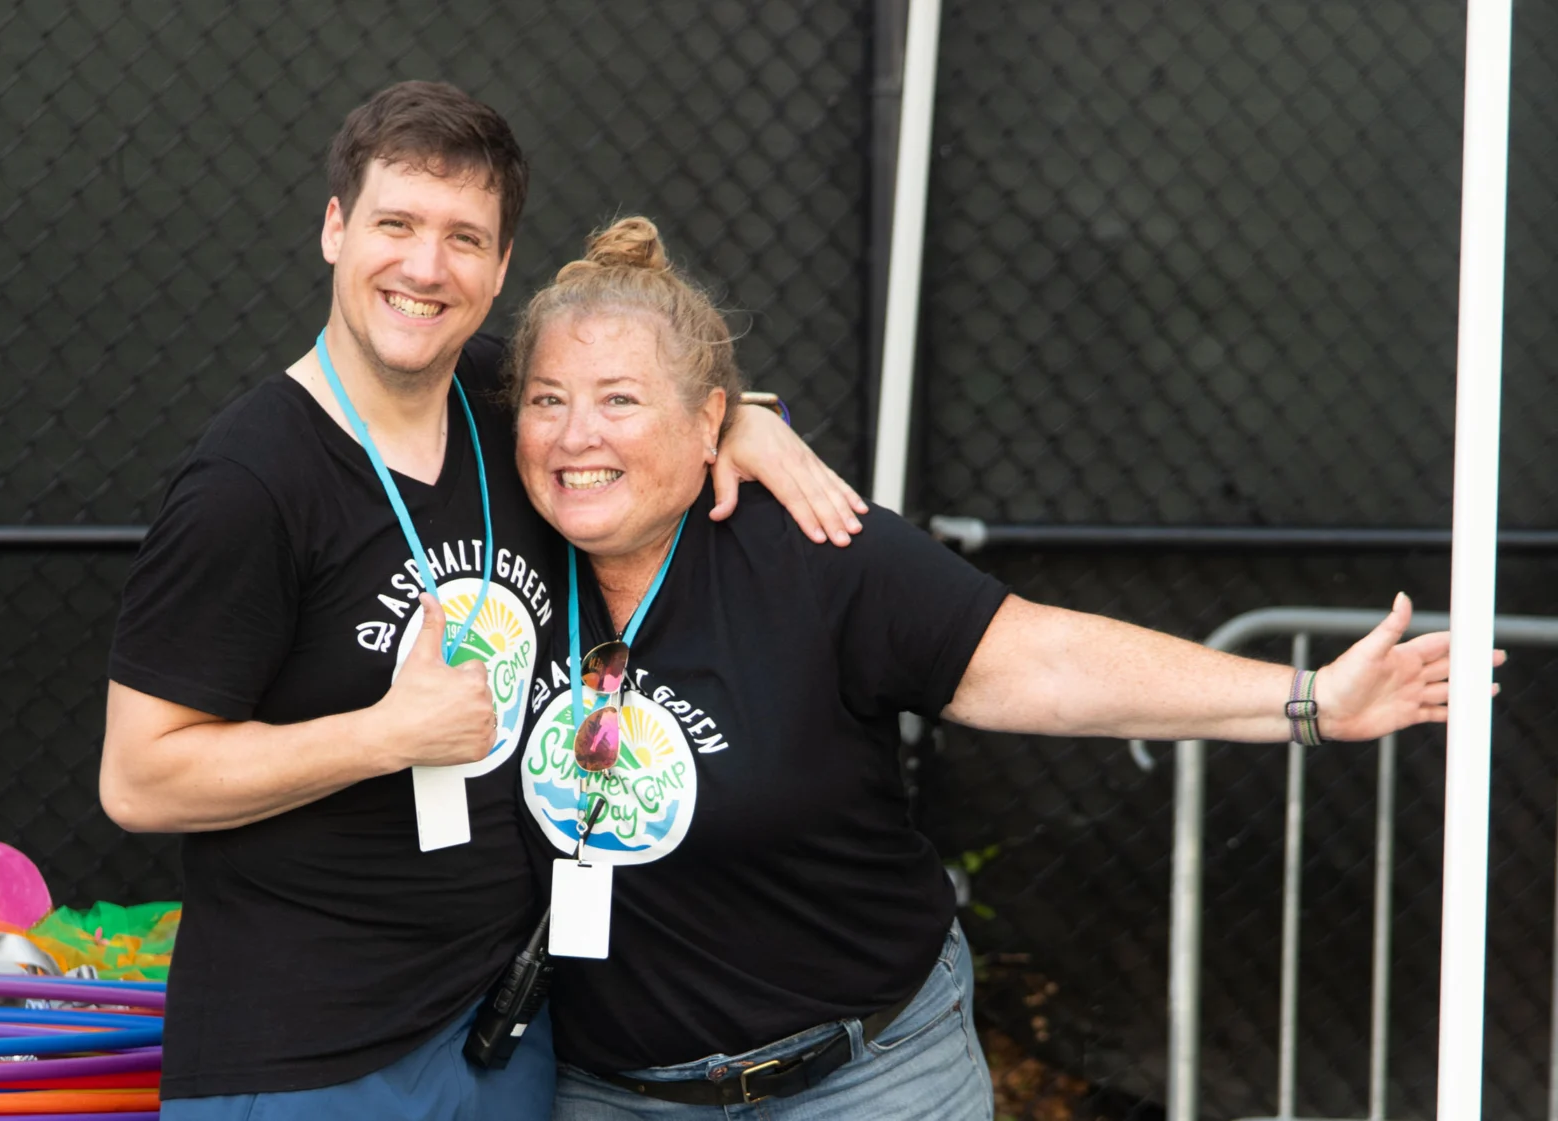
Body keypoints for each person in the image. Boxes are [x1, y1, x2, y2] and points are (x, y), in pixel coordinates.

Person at [507, 217, 1495, 1120]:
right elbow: (412, 358)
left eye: (621, 400)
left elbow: (1051, 662)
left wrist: (1308, 698)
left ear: (707, 417)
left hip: (866, 1078)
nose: (574, 434)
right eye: (547, 400)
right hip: (613, 1092)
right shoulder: (497, 544)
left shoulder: (819, 552)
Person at [98, 83, 863, 1120]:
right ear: (335, 229)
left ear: (502, 268)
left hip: (502, 1028)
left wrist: (742, 421)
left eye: (465, 237)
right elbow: (141, 778)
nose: (425, 266)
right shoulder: (252, 481)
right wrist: (384, 733)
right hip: (307, 1059)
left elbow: (636, 401)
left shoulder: (506, 397)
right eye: (396, 224)